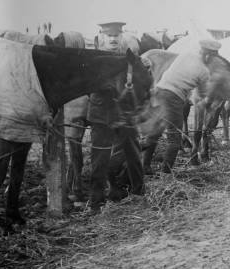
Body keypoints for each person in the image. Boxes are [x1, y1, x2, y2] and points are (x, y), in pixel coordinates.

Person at [87, 21, 145, 209]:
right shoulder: (94, 60)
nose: (113, 39)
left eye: (116, 36)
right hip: (101, 114)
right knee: (99, 159)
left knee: (134, 153)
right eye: (109, 36)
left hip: (125, 114)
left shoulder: (128, 58)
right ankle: (96, 202)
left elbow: (140, 81)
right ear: (102, 37)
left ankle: (138, 193)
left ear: (121, 37)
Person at [141, 39, 221, 174]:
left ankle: (145, 166)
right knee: (175, 140)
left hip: (158, 91)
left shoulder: (185, 55)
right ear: (209, 56)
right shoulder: (204, 72)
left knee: (154, 133)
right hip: (173, 99)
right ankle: (166, 173)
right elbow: (202, 97)